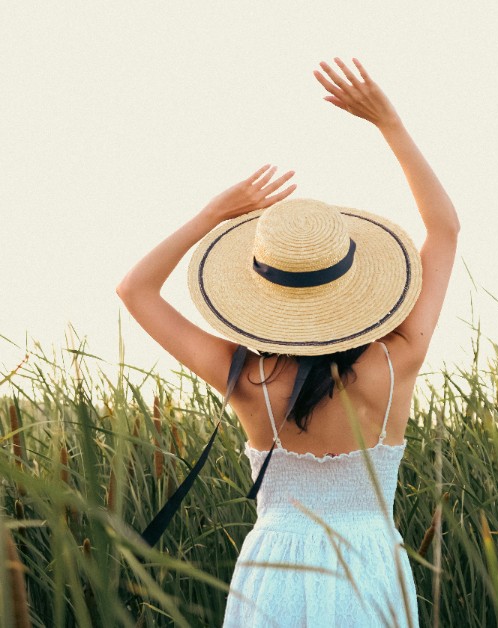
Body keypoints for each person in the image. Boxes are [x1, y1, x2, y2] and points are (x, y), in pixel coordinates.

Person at [116, 57, 458, 627]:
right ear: (353, 286)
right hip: (370, 566)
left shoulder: (244, 375)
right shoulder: (397, 358)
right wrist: (390, 124)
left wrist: (211, 214)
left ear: (263, 296)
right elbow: (444, 228)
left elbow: (134, 289)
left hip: (274, 568)